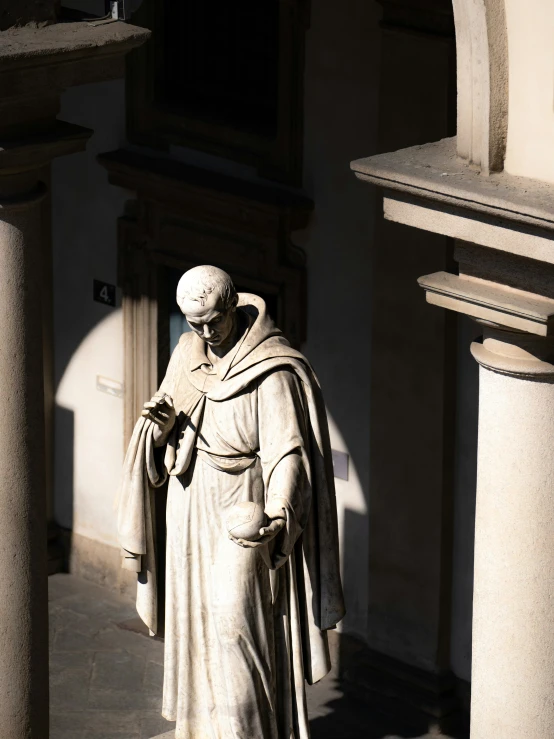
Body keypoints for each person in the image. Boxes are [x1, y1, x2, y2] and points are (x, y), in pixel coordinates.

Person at [117, 265, 345, 739]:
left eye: (212, 321)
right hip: (190, 505)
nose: (204, 333)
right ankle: (204, 729)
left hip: (244, 515)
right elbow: (171, 428)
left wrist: (281, 513)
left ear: (233, 306)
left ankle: (252, 732)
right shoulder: (186, 354)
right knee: (197, 624)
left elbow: (289, 454)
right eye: (192, 322)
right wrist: (159, 432)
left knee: (236, 627)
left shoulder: (272, 370)